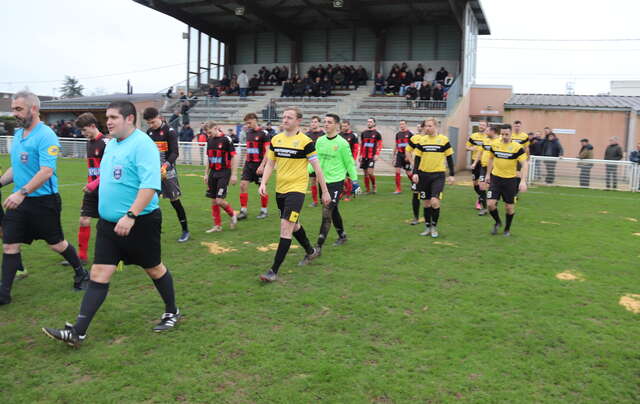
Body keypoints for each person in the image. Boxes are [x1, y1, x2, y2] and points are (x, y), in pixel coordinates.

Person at [42, 101, 181, 347]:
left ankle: (172, 311)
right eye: (107, 117)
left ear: (129, 119)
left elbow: (150, 185)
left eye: (113, 117)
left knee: (154, 268)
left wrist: (131, 215)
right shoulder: (111, 145)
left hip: (140, 222)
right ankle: (78, 331)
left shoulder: (143, 145)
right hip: (108, 226)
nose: (108, 121)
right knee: (98, 273)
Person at [1, 92, 89, 306]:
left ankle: (81, 273)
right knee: (10, 245)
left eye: (18, 109)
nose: (14, 114)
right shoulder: (20, 133)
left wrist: (21, 192)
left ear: (33, 109)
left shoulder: (46, 135)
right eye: (13, 109)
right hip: (20, 203)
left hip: (44, 201)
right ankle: (4, 293)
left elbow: (46, 171)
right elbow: (17, 167)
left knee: (56, 244)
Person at [258, 107, 330, 282]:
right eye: (284, 117)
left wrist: (325, 191)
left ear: (298, 121)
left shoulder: (305, 142)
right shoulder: (276, 139)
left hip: (296, 190)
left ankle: (273, 271)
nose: (285, 120)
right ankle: (311, 251)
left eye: (289, 117)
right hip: (280, 190)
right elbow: (270, 163)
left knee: (285, 226)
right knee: (294, 224)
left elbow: (317, 168)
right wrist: (263, 182)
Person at [307, 114, 360, 259]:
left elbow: (349, 163)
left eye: (329, 122)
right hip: (322, 182)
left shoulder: (342, 143)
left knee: (327, 211)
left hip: (336, 182)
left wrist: (355, 181)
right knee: (333, 210)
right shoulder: (320, 141)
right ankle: (342, 235)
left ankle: (318, 247)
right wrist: (307, 171)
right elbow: (316, 160)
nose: (326, 124)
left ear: (336, 125)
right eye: (325, 122)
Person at [64, 113, 107, 267]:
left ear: (92, 126)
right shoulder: (89, 143)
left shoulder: (106, 143)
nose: (83, 133)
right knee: (84, 221)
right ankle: (81, 257)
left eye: (84, 130)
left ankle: (119, 254)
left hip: (106, 191)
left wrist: (94, 184)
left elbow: (110, 170)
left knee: (108, 225)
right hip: (91, 190)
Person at [143, 108, 190, 242]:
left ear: (160, 117)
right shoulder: (149, 132)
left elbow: (175, 153)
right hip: (153, 173)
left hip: (168, 172)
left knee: (175, 201)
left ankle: (185, 230)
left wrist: (165, 166)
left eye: (153, 122)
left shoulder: (170, 132)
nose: (151, 125)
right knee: (150, 202)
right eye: (149, 123)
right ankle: (152, 231)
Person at [410, 118, 455, 238]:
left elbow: (450, 158)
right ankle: (427, 227)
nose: (427, 128)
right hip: (423, 175)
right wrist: (415, 173)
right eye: (426, 126)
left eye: (430, 126)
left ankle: (434, 226)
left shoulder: (443, 140)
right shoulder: (422, 140)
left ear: (436, 126)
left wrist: (451, 174)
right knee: (426, 203)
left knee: (434, 202)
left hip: (438, 175)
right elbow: (417, 158)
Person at [482, 124, 528, 236]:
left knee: (509, 207)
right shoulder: (495, 144)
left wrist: (523, 181)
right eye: (502, 134)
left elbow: (524, 164)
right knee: (490, 204)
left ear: (511, 134)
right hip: (496, 179)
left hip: (510, 181)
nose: (504, 136)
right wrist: (488, 174)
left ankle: (507, 229)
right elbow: (491, 159)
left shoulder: (517, 147)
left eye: (506, 134)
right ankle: (497, 222)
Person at [203, 121, 238, 232]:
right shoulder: (209, 140)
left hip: (224, 172)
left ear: (216, 128)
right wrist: (206, 174)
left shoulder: (226, 140)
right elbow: (209, 159)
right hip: (213, 173)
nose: (208, 135)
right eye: (207, 133)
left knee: (219, 200)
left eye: (209, 132)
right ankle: (217, 226)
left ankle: (233, 215)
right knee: (213, 200)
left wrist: (234, 174)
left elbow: (234, 157)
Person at [238, 113, 270, 220]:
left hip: (259, 165)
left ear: (255, 120)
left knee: (262, 188)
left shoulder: (263, 133)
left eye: (249, 122)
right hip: (249, 164)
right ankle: (243, 211)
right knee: (242, 185)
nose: (247, 125)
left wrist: (262, 165)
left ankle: (264, 210)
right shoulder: (248, 133)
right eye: (246, 123)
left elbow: (268, 151)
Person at [475, 125, 500, 216]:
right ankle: (484, 208)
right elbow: (480, 151)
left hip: (494, 168)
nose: (485, 132)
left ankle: (493, 204)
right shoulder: (485, 140)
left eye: (487, 130)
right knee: (481, 186)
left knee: (492, 187)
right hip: (483, 166)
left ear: (493, 131)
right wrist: (475, 163)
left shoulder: (499, 141)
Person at [404, 124, 424, 225]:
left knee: (428, 196)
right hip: (418, 171)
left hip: (429, 171)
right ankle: (416, 217)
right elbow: (407, 150)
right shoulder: (415, 138)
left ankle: (428, 216)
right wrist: (413, 163)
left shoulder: (434, 139)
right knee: (416, 194)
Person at [466, 121, 487, 210]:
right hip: (475, 161)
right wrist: (471, 148)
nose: (481, 126)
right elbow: (466, 147)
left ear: (487, 127)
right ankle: (481, 196)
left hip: (485, 162)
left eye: (483, 125)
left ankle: (481, 201)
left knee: (482, 183)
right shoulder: (473, 136)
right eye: (480, 125)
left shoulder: (488, 137)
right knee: (475, 183)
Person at [359, 118, 383, 194]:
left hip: (371, 156)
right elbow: (362, 144)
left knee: (370, 172)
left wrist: (377, 154)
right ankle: (367, 189)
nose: (369, 123)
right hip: (364, 155)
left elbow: (380, 145)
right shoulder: (363, 133)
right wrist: (360, 155)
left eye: (370, 122)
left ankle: (374, 185)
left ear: (374, 123)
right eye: (368, 122)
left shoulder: (377, 134)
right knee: (365, 173)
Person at [306, 116, 325, 207]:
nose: (313, 123)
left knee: (321, 180)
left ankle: (323, 197)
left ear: (319, 123)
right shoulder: (307, 134)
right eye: (312, 122)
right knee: (313, 181)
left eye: (315, 122)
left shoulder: (323, 134)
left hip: (321, 161)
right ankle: (315, 201)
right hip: (310, 162)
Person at [339, 120, 359, 201]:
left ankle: (348, 195)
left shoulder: (353, 135)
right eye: (343, 126)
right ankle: (344, 191)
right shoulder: (339, 135)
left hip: (349, 160)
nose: (344, 127)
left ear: (349, 126)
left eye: (345, 126)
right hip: (341, 160)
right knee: (341, 178)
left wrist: (353, 159)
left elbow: (356, 148)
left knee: (348, 178)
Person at [392, 120, 413, 194]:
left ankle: (414, 184)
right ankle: (398, 189)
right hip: (399, 155)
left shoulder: (410, 134)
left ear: (406, 125)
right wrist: (393, 156)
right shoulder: (398, 134)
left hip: (407, 155)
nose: (401, 125)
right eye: (400, 124)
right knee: (397, 171)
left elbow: (412, 146)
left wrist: (409, 156)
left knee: (408, 172)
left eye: (403, 124)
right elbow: (396, 145)